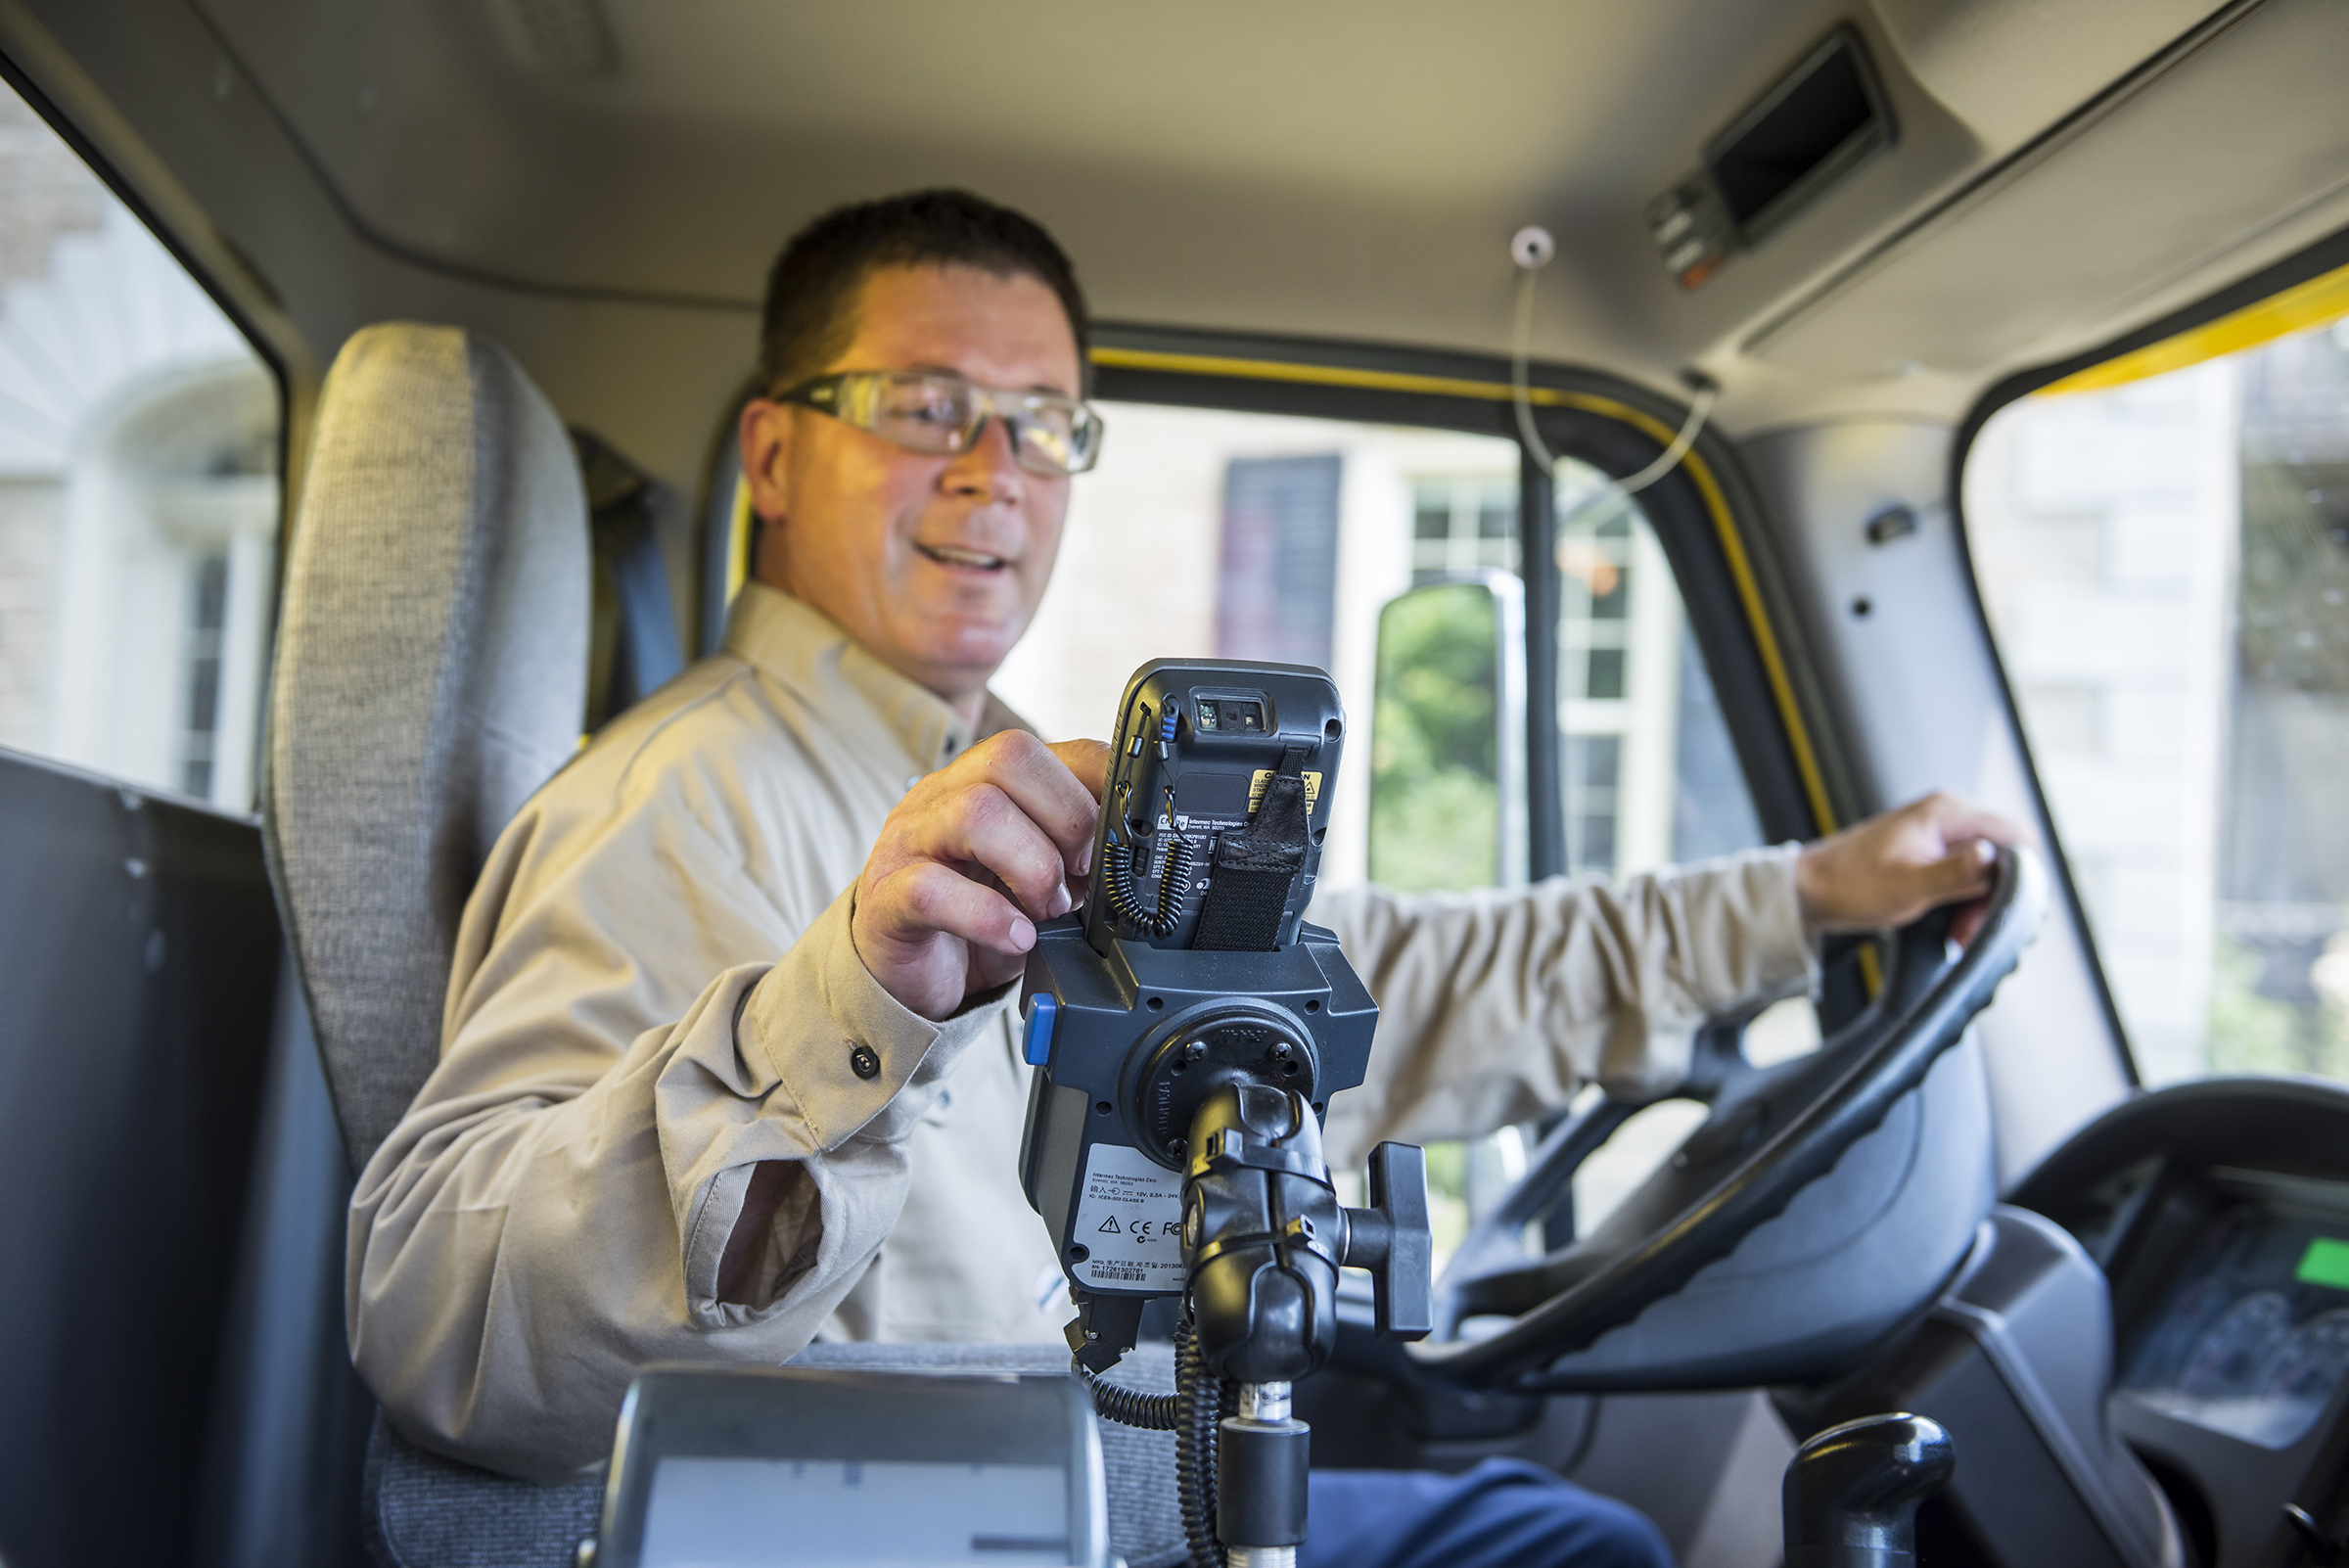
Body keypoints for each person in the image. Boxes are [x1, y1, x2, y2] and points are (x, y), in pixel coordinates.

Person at [348, 190, 2028, 1566]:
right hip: (955, 1520)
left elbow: (1419, 975)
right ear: (777, 458)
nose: (991, 469)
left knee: (1551, 1530)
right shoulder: (681, 804)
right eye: (926, 405)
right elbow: (442, 1325)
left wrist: (1808, 896)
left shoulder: (1014, 779)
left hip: (1131, 1480)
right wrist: (842, 995)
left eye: (1041, 424)